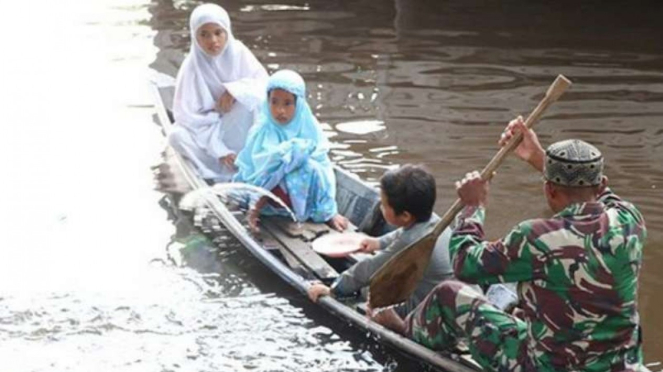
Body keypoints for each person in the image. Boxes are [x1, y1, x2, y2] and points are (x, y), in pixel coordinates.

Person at [370, 116, 647, 372]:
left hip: (548, 367)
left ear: (548, 189)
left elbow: (465, 264)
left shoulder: (536, 236)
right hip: (621, 364)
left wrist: (473, 207)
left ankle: (405, 330)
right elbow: (600, 193)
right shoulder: (630, 219)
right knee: (523, 297)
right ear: (602, 185)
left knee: (449, 294)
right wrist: (540, 158)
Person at [308, 164, 454, 317]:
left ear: (405, 215)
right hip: (443, 296)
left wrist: (334, 289)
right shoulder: (434, 220)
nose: (381, 208)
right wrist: (377, 243)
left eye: (384, 205)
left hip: (426, 309)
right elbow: (401, 233)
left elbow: (370, 269)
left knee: (373, 299)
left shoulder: (411, 242)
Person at [233, 69, 348, 231]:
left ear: (298, 104)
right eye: (274, 102)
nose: (280, 110)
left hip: (302, 196)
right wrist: (283, 158)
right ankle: (254, 210)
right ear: (267, 101)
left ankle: (324, 214)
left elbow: (323, 170)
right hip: (270, 198)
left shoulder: (309, 127)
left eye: (287, 103)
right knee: (279, 162)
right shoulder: (262, 129)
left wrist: (330, 212)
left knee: (307, 163)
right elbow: (252, 168)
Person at [169, 3, 268, 183]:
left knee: (253, 101)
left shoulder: (239, 53)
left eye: (218, 32)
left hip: (236, 126)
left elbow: (265, 86)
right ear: (194, 36)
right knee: (176, 136)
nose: (213, 40)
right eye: (204, 34)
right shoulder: (192, 66)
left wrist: (234, 91)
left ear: (227, 32)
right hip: (207, 132)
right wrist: (219, 150)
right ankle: (216, 173)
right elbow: (187, 117)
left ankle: (249, 163)